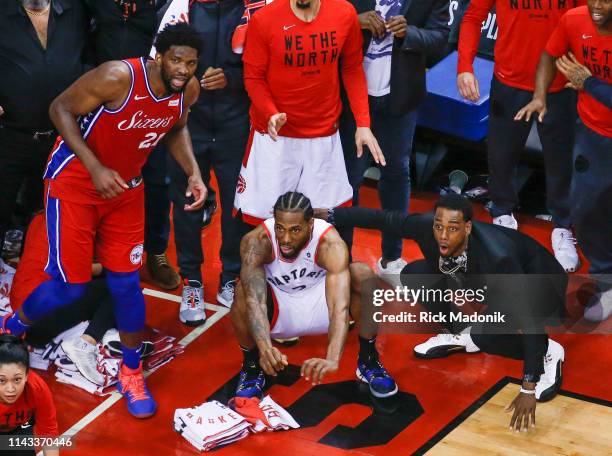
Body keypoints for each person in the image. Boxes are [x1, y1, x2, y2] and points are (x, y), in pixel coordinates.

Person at [0, 23, 206, 419]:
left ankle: (131, 372)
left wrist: (194, 172)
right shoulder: (118, 77)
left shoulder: (187, 90)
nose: (183, 70)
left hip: (125, 190)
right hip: (76, 182)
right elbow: (59, 108)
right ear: (158, 57)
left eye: (192, 63)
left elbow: (176, 128)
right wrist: (94, 167)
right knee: (69, 287)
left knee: (127, 285)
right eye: (176, 60)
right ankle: (13, 325)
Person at [315, 194, 567, 431]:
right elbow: (385, 219)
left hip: (540, 285)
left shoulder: (498, 259)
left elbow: (529, 317)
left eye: (453, 228)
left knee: (487, 336)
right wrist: (332, 215)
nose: (443, 236)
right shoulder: (431, 229)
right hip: (481, 282)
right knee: (415, 275)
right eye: (438, 227)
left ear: (467, 228)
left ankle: (548, 352)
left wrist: (528, 388)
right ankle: (461, 330)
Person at [232, 0, 385, 238]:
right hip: (274, 136)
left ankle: (318, 276)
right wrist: (270, 112)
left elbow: (352, 68)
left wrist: (363, 123)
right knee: (263, 224)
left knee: (323, 222)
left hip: (324, 136)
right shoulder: (264, 19)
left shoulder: (344, 13)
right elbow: (253, 77)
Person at [230, 192, 397, 399]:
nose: (286, 239)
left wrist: (332, 358)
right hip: (279, 309)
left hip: (321, 303)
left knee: (363, 275)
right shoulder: (256, 242)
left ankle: (368, 360)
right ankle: (252, 368)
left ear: (311, 224)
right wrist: (265, 348)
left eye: (295, 230)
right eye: (280, 229)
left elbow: (339, 308)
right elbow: (255, 301)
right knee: (241, 292)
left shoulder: (330, 243)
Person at [457, 0, 582, 273]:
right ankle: (502, 214)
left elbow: (588, 22)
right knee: (502, 155)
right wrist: (464, 66)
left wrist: (585, 70)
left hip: (559, 86)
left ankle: (562, 225)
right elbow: (473, 17)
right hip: (509, 80)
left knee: (561, 162)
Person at [515, 0, 612, 321]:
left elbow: (590, 83)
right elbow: (549, 54)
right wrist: (540, 95)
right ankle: (606, 281)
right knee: (584, 211)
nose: (597, 5)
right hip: (592, 134)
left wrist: (590, 84)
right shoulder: (574, 20)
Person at [340, 0, 450, 278]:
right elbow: (321, 18)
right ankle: (342, 260)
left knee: (397, 174)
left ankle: (391, 258)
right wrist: (355, 20)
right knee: (348, 179)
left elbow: (441, 39)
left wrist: (409, 33)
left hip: (399, 99)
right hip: (351, 96)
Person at [87, 0, 183, 291]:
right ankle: (93, 251)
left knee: (157, 181)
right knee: (95, 178)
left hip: (148, 100)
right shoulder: (92, 5)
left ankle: (155, 252)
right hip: (101, 101)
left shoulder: (162, 6)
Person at [172, 0, 252, 325]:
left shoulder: (255, 8)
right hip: (189, 123)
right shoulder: (181, 6)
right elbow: (162, 62)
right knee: (189, 202)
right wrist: (188, 81)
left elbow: (267, 68)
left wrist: (231, 78)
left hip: (237, 122)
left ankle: (231, 276)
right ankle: (191, 281)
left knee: (237, 204)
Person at [0, 0, 89, 245]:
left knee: (47, 218)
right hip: (9, 136)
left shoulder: (76, 10)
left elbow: (93, 52)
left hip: (61, 139)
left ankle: (37, 276)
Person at [10, 213, 114, 385]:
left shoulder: (38, 218)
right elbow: (80, 271)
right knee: (122, 285)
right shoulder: (79, 224)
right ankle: (86, 342)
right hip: (41, 321)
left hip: (19, 313)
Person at [0, 335, 59, 456]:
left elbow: (48, 432)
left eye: (17, 380)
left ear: (27, 375)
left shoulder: (37, 389)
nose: (10, 389)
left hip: (18, 430)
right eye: (2, 380)